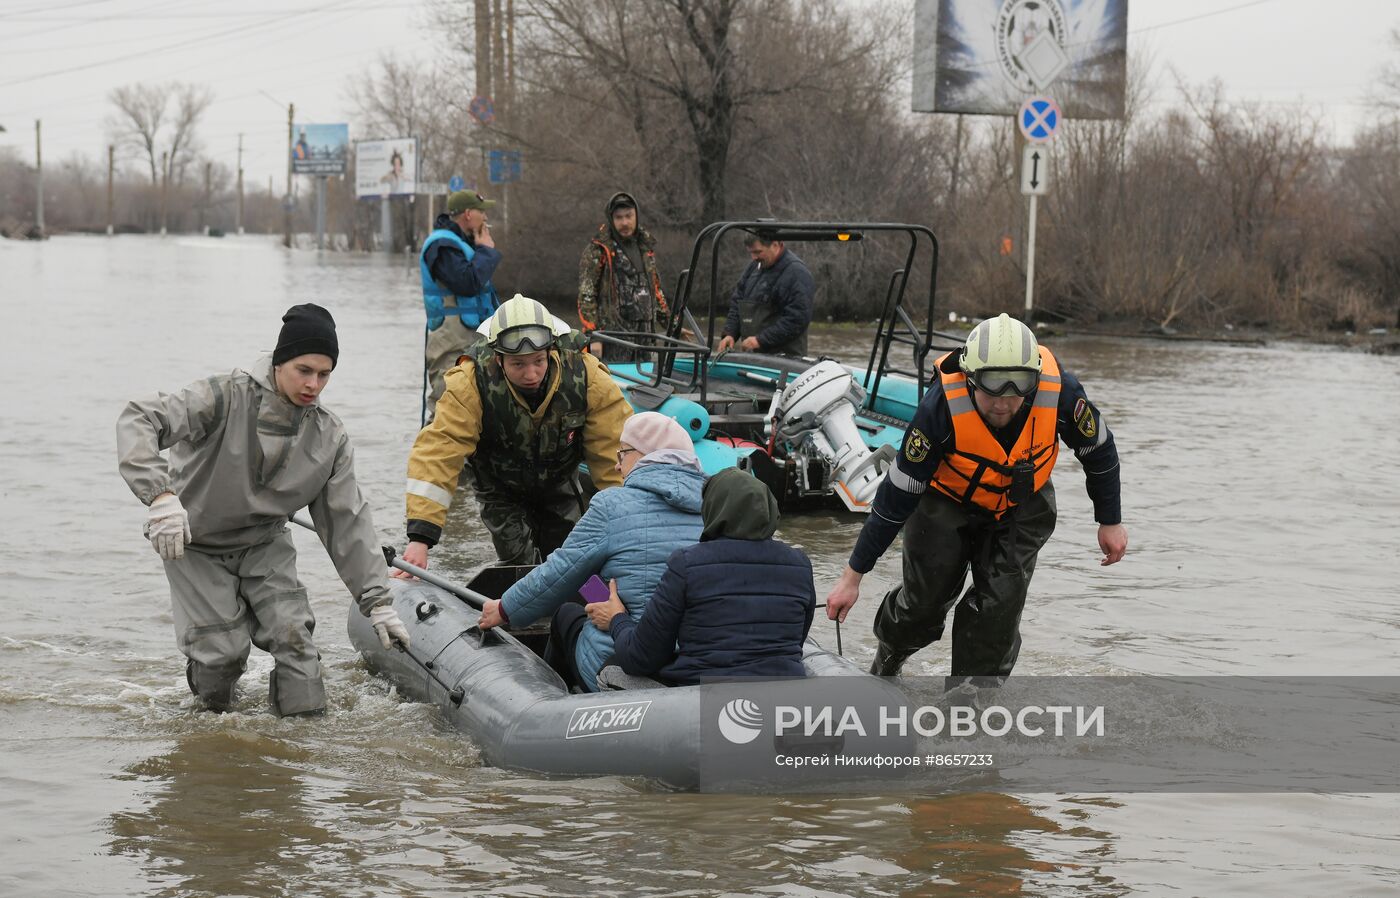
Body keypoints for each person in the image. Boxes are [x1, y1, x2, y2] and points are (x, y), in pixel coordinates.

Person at [116, 304, 411, 717]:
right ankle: (208, 726)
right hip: (194, 542)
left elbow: (346, 521)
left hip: (265, 542)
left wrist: (376, 601)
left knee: (297, 645)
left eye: (324, 374)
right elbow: (140, 417)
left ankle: (300, 751)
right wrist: (159, 496)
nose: (314, 384)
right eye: (304, 370)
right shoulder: (222, 396)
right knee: (222, 654)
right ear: (278, 362)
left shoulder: (330, 436)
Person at [824, 313, 1128, 686]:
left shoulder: (1060, 391)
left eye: (1017, 387)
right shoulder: (938, 409)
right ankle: (888, 660)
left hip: (1021, 507)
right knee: (923, 606)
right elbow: (894, 500)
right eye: (992, 387)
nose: (1004, 401)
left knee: (998, 610)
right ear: (969, 378)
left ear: (1033, 381)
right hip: (944, 502)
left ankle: (969, 706)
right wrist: (852, 577)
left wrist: (1109, 519)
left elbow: (1098, 451)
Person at [401, 293, 632, 569]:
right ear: (499, 360)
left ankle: (588, 604)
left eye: (538, 361)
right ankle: (516, 607)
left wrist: (626, 527)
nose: (531, 374)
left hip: (559, 482)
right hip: (500, 489)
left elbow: (614, 453)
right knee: (519, 563)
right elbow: (440, 450)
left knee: (575, 561)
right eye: (518, 364)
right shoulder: (471, 382)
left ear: (551, 352)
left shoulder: (586, 376)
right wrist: (420, 538)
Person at [477, 413, 705, 691]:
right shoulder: (713, 505)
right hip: (692, 665)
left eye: (622, 454)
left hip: (621, 661)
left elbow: (560, 570)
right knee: (589, 586)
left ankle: (557, 705)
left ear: (644, 455)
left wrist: (505, 608)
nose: (617, 465)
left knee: (565, 614)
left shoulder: (612, 505)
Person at [586, 468, 815, 685]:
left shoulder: (686, 563)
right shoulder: (801, 564)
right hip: (783, 694)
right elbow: (797, 639)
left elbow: (640, 658)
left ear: (711, 509)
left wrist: (617, 619)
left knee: (606, 663)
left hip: (701, 698)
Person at [419, 189, 502, 416]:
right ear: (468, 214)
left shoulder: (463, 244)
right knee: (447, 404)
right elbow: (466, 282)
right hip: (451, 342)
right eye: (481, 212)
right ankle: (434, 451)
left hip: (472, 339)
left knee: (476, 407)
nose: (485, 218)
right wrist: (485, 250)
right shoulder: (442, 244)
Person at [576, 191, 670, 363]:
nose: (625, 222)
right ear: (611, 219)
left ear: (636, 216)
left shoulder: (645, 246)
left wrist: (672, 325)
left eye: (629, 216)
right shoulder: (598, 249)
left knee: (646, 383)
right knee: (614, 384)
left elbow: (655, 291)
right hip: (613, 336)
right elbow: (586, 296)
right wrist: (594, 337)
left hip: (644, 335)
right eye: (619, 217)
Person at [715, 230, 815, 358]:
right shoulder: (753, 268)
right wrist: (730, 333)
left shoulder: (797, 273)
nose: (754, 257)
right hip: (755, 358)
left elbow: (798, 319)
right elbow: (737, 303)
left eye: (757, 252)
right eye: (751, 253)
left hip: (786, 360)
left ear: (775, 245)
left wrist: (760, 340)